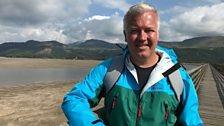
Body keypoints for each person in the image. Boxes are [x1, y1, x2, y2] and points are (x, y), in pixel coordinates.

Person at [61, 3, 203, 126]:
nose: (142, 37)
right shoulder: (108, 69)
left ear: (157, 33)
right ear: (125, 35)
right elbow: (74, 99)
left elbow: (192, 121)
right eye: (134, 30)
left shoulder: (178, 77)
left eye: (149, 30)